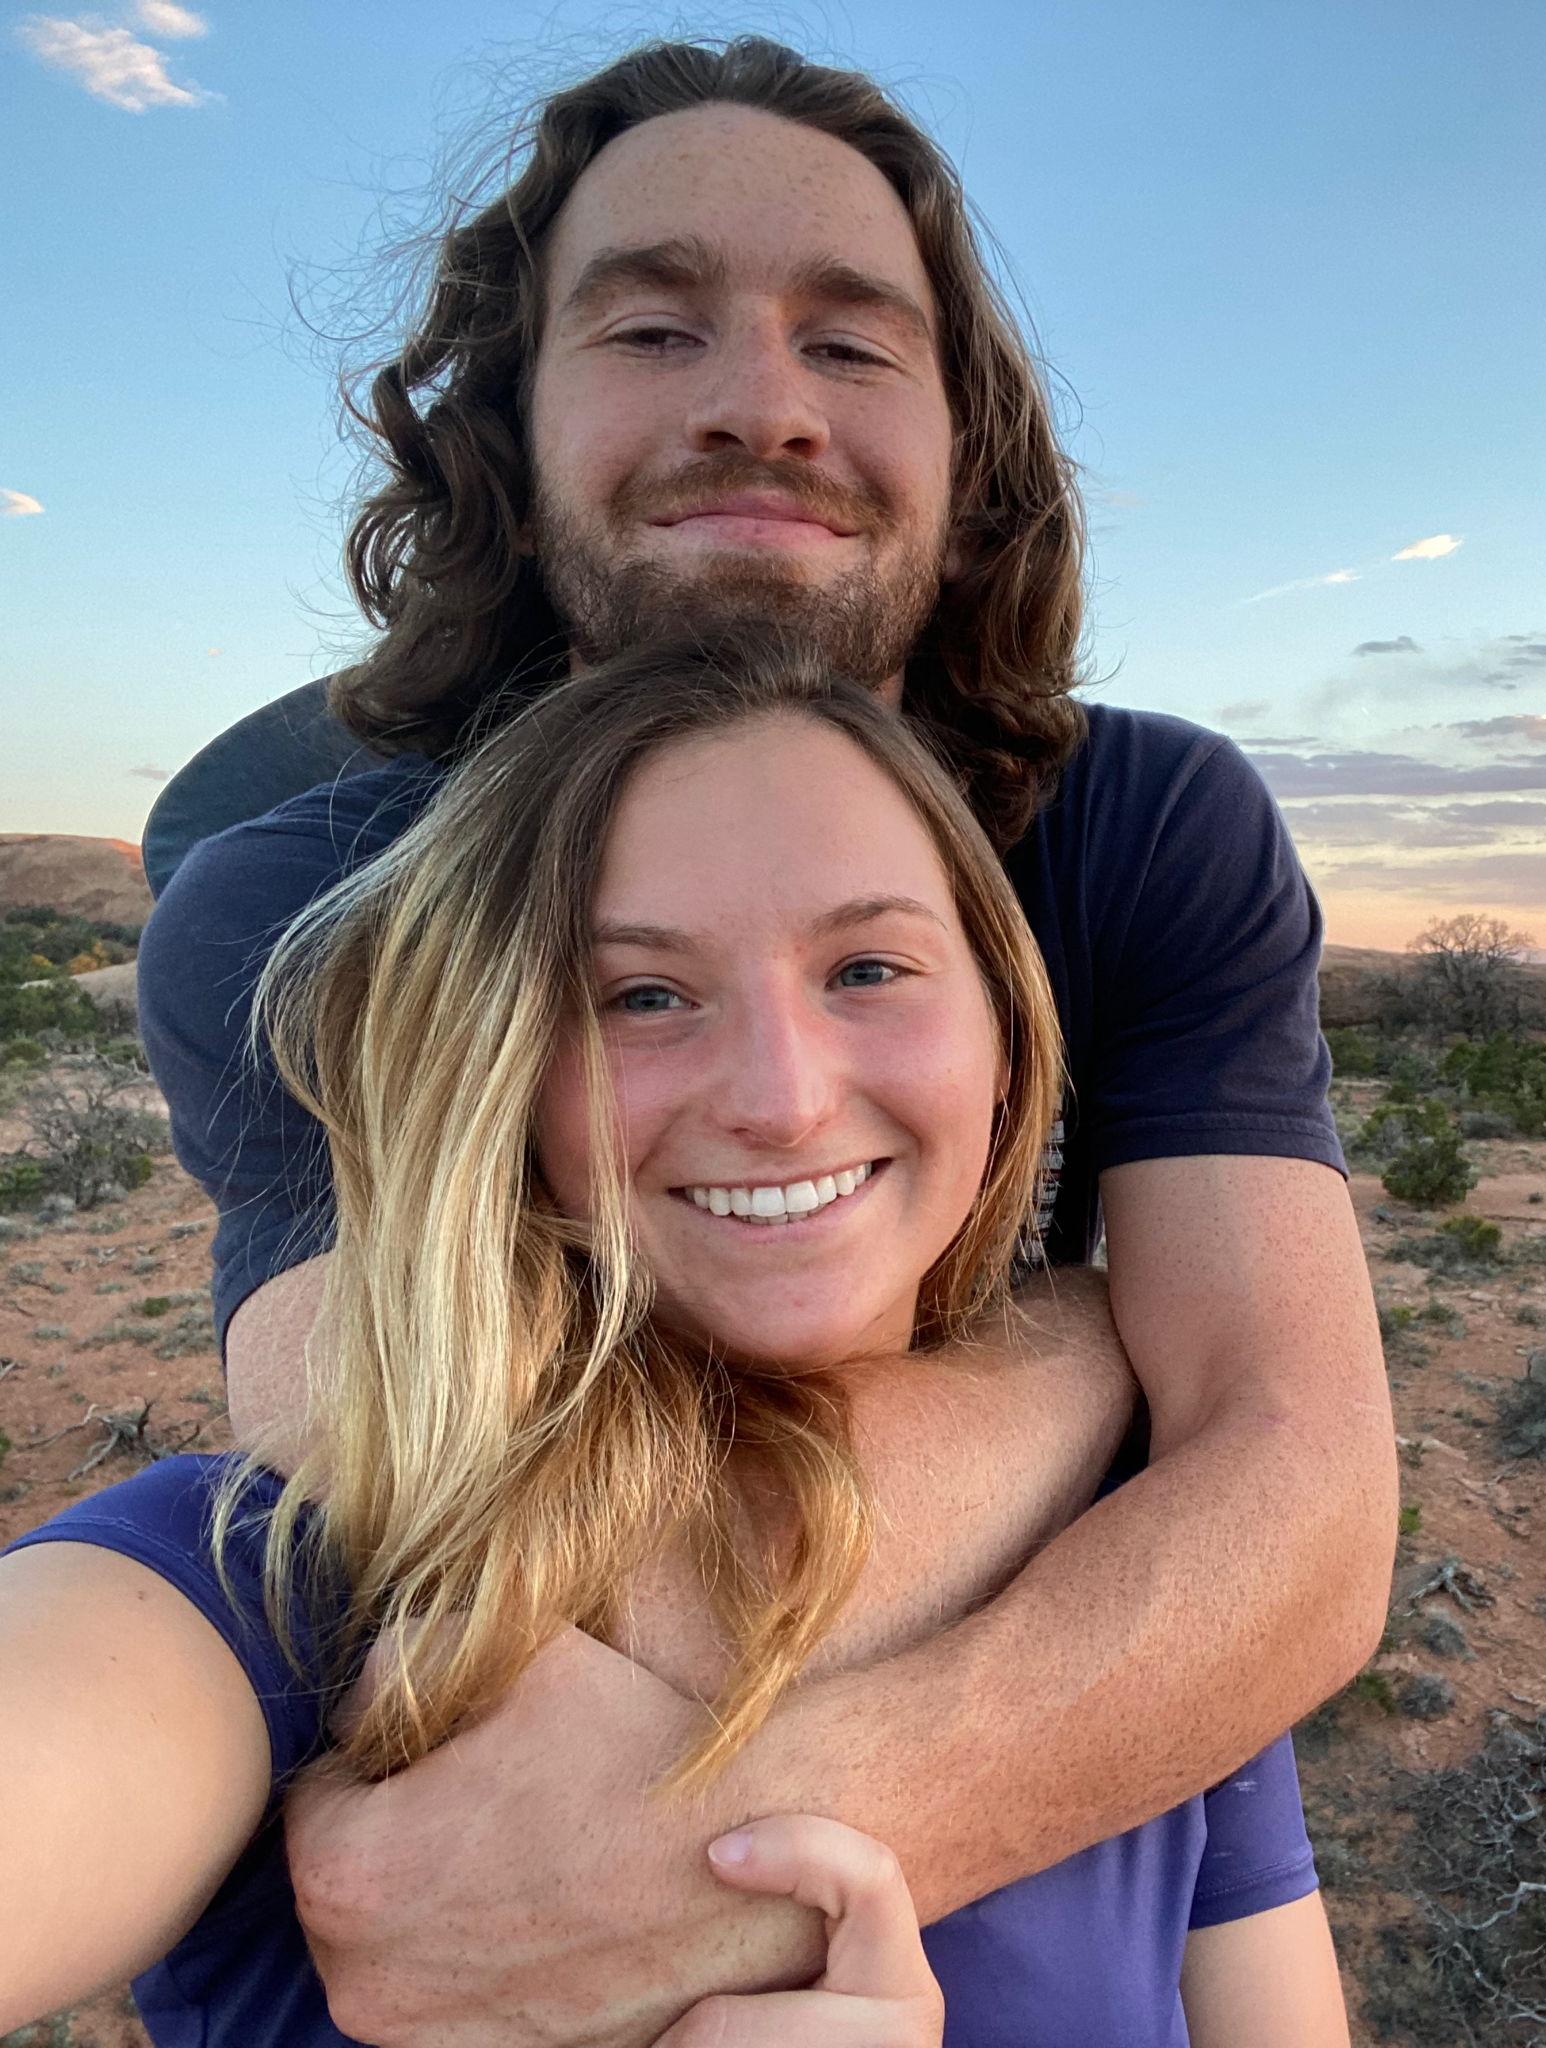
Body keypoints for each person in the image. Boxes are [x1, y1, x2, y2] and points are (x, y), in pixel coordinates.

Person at [136, 35, 1397, 2039]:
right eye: (652, 328)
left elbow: (1309, 1530)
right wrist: (1098, 1362)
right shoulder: (309, 906)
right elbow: (455, 1519)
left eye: (853, 343)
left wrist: (682, 1882)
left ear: (965, 451)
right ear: (507, 429)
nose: (762, 405)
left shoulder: (1147, 829)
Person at [2, 645, 1350, 2047]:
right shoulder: (277, 1582)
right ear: (508, 1078)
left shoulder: (1151, 1572)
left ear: (1006, 1042)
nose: (780, 1097)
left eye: (869, 969)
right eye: (643, 995)